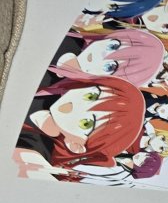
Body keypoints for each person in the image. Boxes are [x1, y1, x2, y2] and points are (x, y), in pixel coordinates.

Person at [14, 76, 145, 178]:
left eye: (86, 123)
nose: (75, 106)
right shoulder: (49, 86)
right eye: (91, 96)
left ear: (75, 145)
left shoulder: (35, 151)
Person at [50, 29, 165, 87]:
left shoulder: (61, 89)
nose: (103, 55)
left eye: (110, 67)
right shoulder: (72, 36)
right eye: (113, 45)